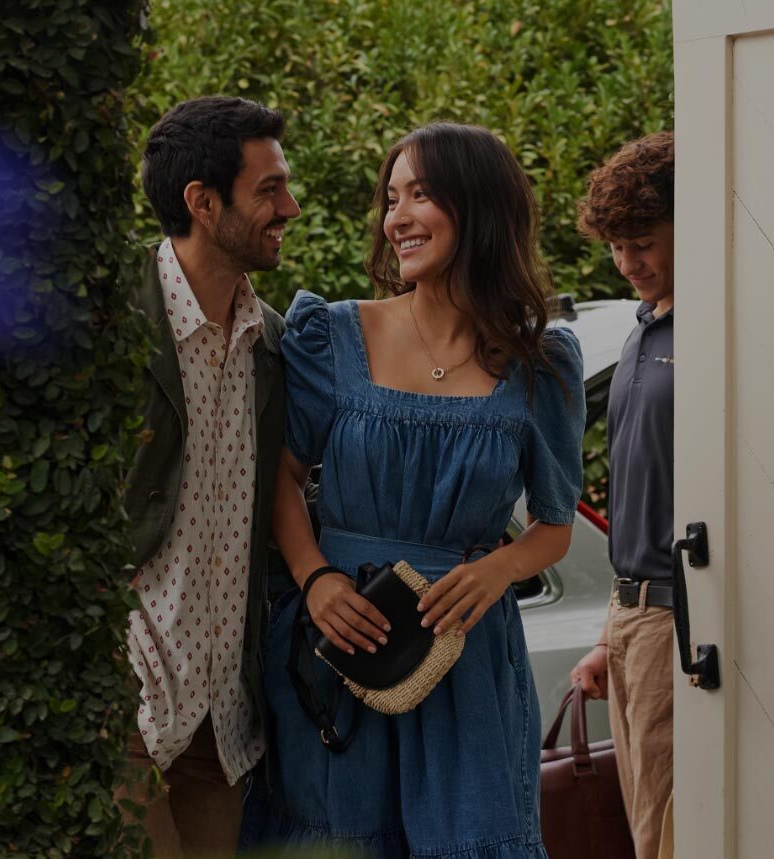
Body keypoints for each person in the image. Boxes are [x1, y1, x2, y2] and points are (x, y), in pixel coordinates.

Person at [246, 122, 585, 858]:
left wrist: (498, 567)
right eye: (391, 197)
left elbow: (554, 527)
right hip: (339, 646)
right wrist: (315, 579)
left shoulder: (541, 361)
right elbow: (280, 473)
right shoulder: (331, 334)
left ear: (481, 208)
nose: (396, 217)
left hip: (466, 661)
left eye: (421, 195)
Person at [120, 95, 300, 857]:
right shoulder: (116, 318)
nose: (289, 206)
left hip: (221, 713)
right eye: (268, 189)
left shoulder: (273, 341)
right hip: (128, 691)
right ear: (202, 201)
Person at [569, 130, 677, 859]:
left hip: (684, 620)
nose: (627, 263)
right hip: (634, 615)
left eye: (642, 240)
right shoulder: (640, 332)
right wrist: (612, 631)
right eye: (615, 246)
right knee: (648, 834)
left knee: (677, 835)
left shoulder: (721, 331)